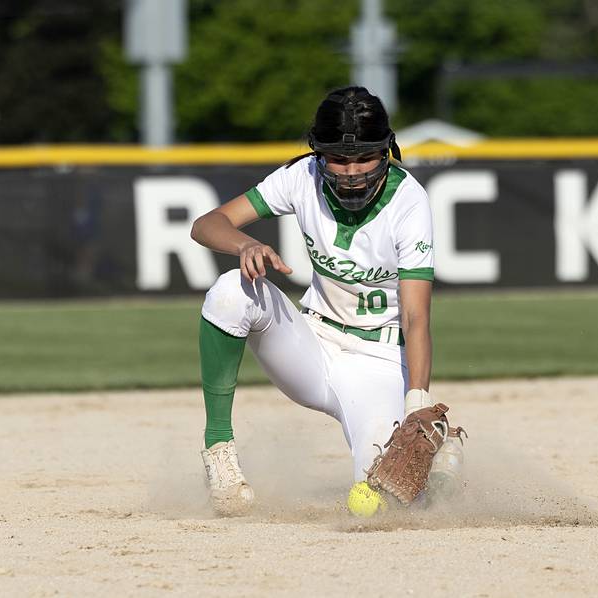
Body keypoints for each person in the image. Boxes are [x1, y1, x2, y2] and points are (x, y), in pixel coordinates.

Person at [190, 86, 462, 515]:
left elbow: (415, 316)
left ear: (387, 150)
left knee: (385, 500)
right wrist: (244, 244)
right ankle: (218, 449)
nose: (351, 170)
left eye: (363, 157)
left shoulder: (409, 201)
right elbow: (207, 224)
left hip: (380, 359)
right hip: (313, 340)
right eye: (338, 157)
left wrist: (418, 403)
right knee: (230, 291)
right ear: (317, 153)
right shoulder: (303, 176)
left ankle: (437, 461)